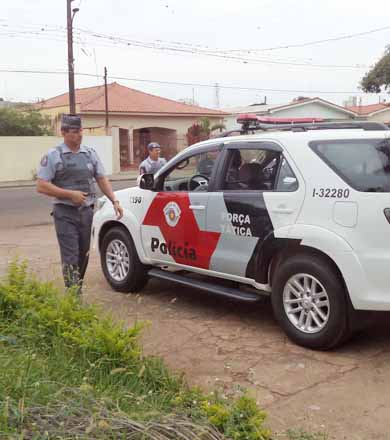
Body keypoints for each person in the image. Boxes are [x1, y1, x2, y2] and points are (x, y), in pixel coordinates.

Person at [36, 114, 123, 293]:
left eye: (80, 131)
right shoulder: (54, 155)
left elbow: (101, 178)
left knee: (83, 254)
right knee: (70, 255)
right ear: (64, 133)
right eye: (75, 132)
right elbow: (41, 186)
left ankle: (77, 288)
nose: (79, 135)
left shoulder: (89, 153)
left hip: (86, 212)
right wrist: (69, 194)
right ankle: (74, 296)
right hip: (64, 212)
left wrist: (114, 200)